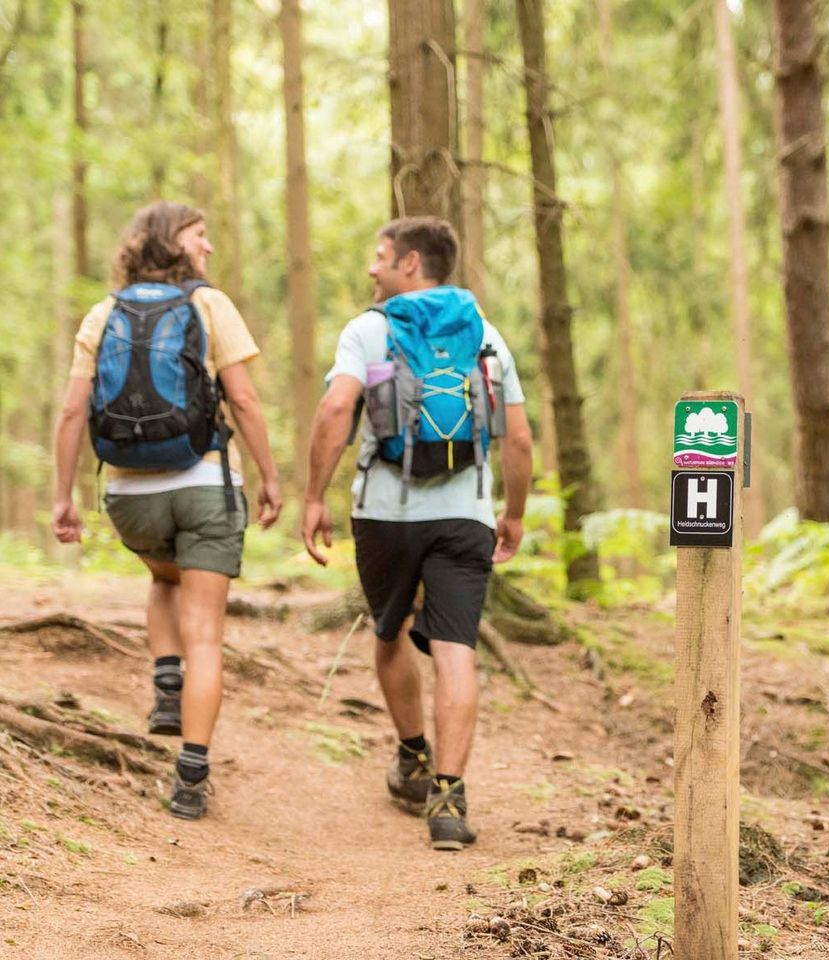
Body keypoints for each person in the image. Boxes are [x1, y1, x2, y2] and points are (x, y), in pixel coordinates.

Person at [302, 216, 533, 850]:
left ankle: (412, 759)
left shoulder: (368, 331)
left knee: (390, 629)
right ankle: (450, 803)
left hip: (384, 514)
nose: (372, 268)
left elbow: (333, 411)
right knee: (457, 648)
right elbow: (516, 437)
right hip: (465, 515)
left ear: (410, 264)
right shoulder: (485, 336)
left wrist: (313, 496)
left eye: (380, 257)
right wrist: (512, 513)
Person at [52, 201, 281, 821]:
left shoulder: (105, 313)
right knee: (206, 631)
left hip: (129, 495)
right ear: (172, 244)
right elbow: (246, 400)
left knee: (162, 576)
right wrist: (269, 476)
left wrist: (63, 496)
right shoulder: (210, 306)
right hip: (204, 481)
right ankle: (190, 777)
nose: (208, 248)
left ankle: (165, 682)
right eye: (199, 236)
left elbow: (73, 412)